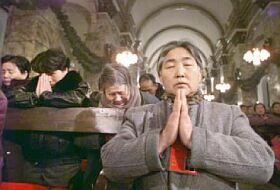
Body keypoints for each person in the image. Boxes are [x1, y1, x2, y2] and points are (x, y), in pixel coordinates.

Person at [101, 41, 275, 190]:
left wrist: (195, 139)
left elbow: (263, 165)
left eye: (188, 64)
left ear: (201, 74)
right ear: (160, 77)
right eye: (170, 66)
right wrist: (160, 140)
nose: (180, 73)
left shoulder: (228, 114)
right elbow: (111, 165)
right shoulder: (139, 116)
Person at [5, 49, 92, 189]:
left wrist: (45, 96)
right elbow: (11, 97)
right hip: (32, 160)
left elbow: (76, 99)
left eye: (51, 74)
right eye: (42, 74)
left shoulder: (77, 84)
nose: (46, 79)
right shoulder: (35, 83)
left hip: (63, 162)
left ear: (65, 69)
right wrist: (34, 97)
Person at [80, 63, 159, 190]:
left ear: (129, 86)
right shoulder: (95, 104)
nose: (117, 99)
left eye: (121, 93)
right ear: (103, 91)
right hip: (102, 170)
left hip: (140, 172)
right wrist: (102, 139)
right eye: (111, 94)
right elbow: (82, 139)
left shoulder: (151, 103)